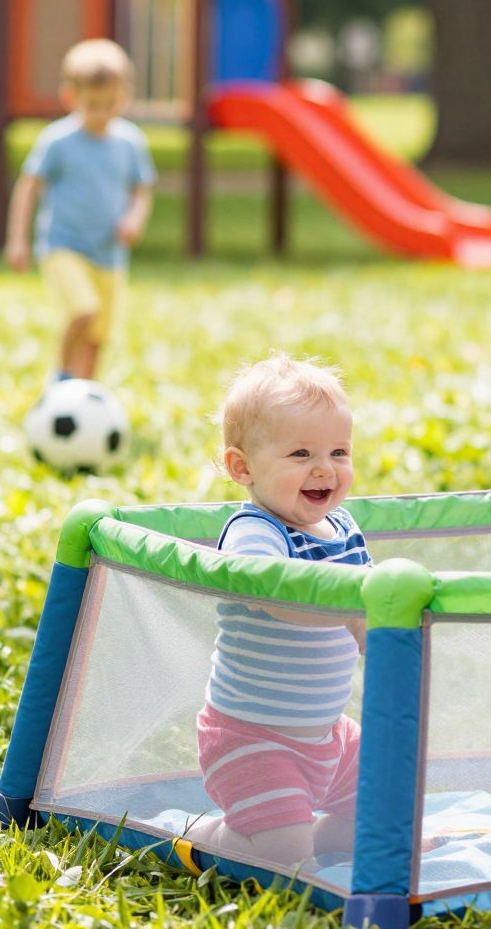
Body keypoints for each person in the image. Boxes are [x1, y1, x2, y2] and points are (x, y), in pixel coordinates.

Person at [187, 354, 369, 870]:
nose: (324, 468)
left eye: (339, 451)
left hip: (329, 734)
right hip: (252, 739)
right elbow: (275, 592)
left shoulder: (344, 528)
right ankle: (208, 836)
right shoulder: (255, 531)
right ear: (242, 467)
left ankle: (301, 832)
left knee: (383, 810)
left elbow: (373, 604)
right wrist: (353, 611)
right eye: (300, 453)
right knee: (285, 861)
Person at [3, 39, 156, 382]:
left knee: (99, 336)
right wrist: (17, 240)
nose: (101, 112)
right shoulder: (58, 141)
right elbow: (28, 188)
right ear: (70, 97)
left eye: (110, 103)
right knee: (84, 311)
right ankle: (61, 377)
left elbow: (142, 191)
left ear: (125, 95)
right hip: (64, 246)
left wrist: (135, 219)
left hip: (110, 255)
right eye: (92, 104)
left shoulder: (130, 143)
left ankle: (86, 393)